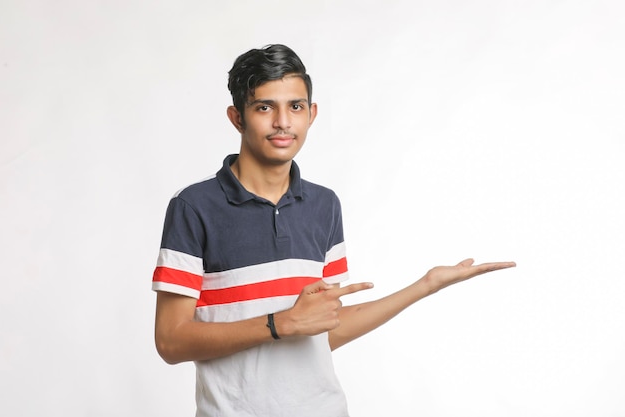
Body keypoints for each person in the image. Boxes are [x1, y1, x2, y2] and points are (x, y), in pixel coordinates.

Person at [152, 44, 516, 417]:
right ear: (237, 118)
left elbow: (324, 329)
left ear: (311, 114)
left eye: (295, 106)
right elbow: (170, 341)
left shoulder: (324, 205)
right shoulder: (194, 207)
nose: (283, 122)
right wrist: (279, 324)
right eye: (265, 107)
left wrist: (424, 286)